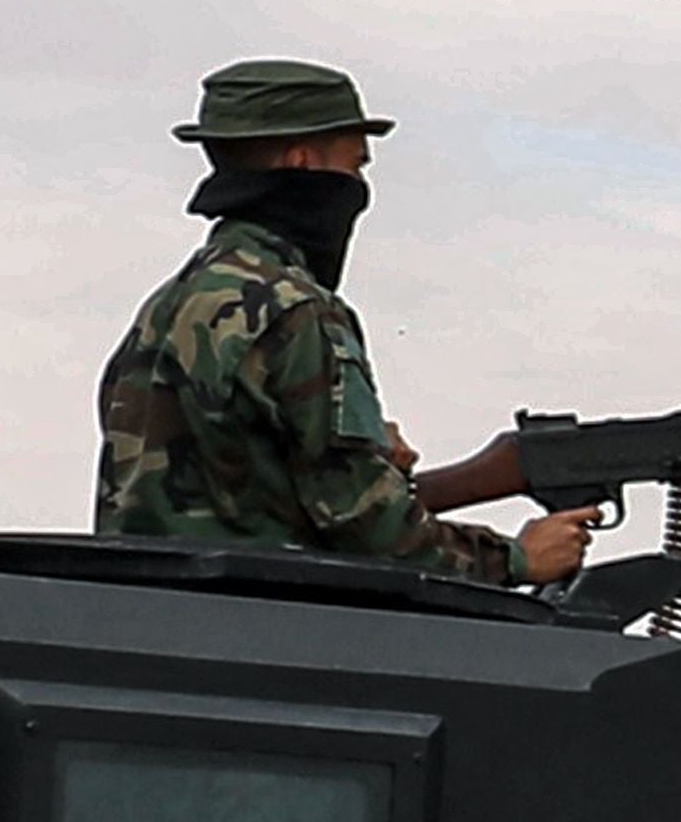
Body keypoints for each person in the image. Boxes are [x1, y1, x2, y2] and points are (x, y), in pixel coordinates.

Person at [97, 62, 595, 585]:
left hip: (163, 619)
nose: (359, 185)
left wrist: (375, 461)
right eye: (356, 165)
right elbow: (365, 524)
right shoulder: (294, 309)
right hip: (274, 629)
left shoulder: (167, 307)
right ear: (304, 161)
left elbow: (222, 491)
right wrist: (516, 559)